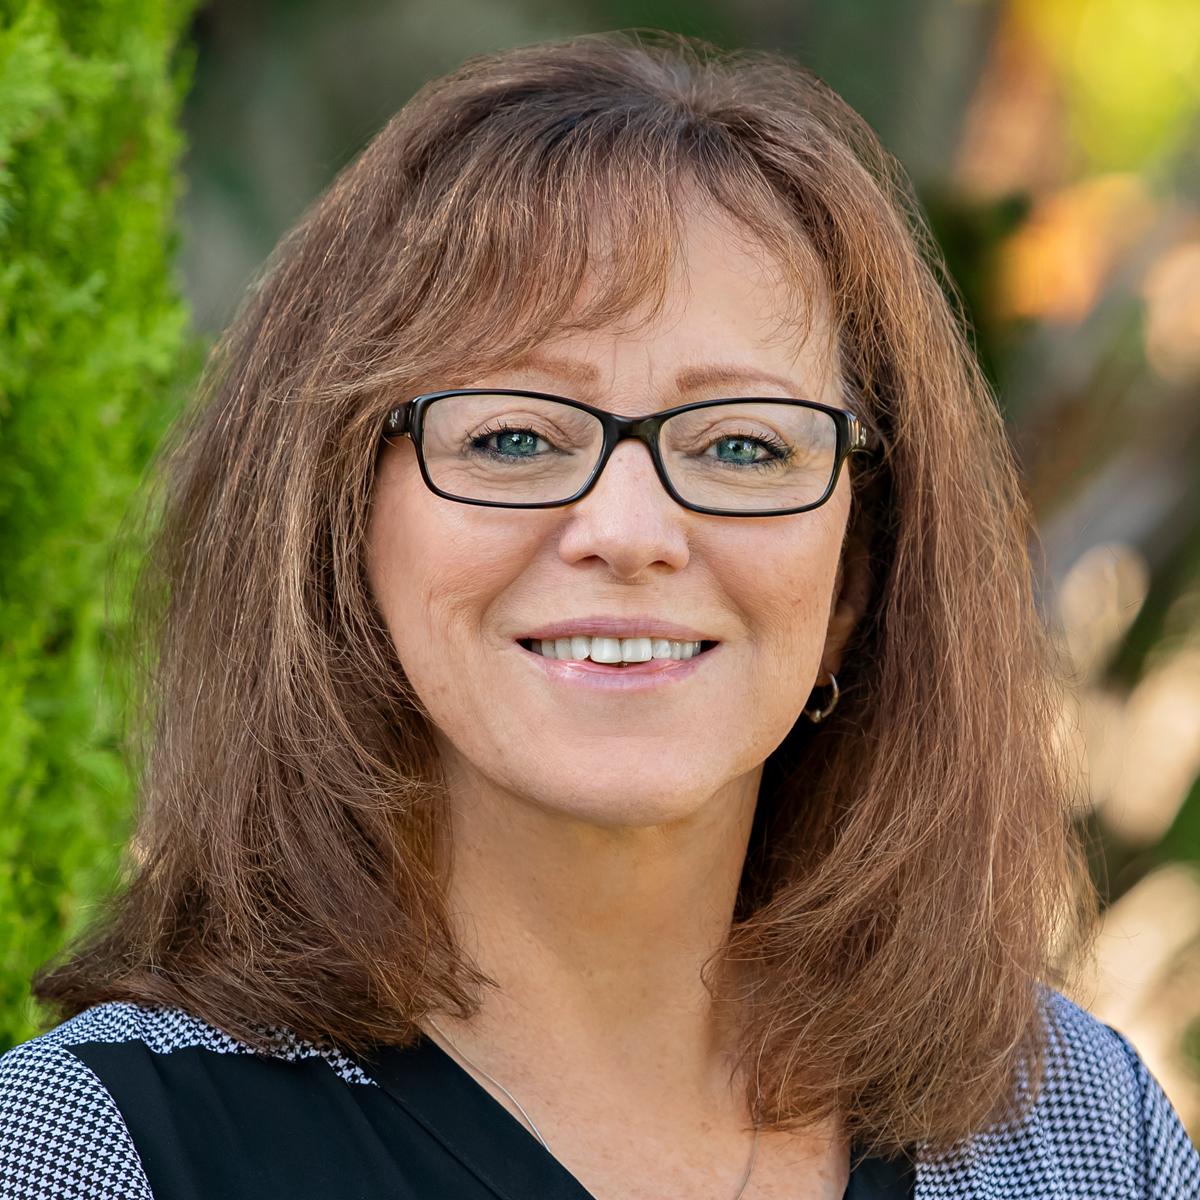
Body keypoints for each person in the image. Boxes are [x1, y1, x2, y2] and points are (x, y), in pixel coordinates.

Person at [1, 30, 1197, 1200]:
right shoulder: (102, 1156)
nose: (628, 531)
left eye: (742, 443)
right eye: (515, 436)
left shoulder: (1066, 1136)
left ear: (857, 576)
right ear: (338, 528)